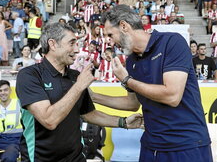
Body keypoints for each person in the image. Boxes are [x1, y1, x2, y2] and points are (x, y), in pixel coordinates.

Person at [90, 4, 212, 162]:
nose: (109, 42)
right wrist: (93, 97)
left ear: (124, 26)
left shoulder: (172, 42)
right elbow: (132, 103)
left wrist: (127, 80)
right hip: (151, 145)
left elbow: (172, 96)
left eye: (110, 35)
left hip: (186, 144)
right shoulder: (131, 61)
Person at [16, 22, 143, 162]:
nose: (77, 50)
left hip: (77, 158)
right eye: (72, 43)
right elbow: (49, 120)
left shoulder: (74, 76)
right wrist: (79, 86)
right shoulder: (29, 76)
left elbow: (89, 114)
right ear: (53, 44)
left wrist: (123, 122)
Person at [0, 80, 22, 162]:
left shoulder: (20, 105)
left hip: (14, 142)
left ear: (10, 91)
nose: (3, 93)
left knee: (9, 157)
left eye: (5, 90)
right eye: (0, 91)